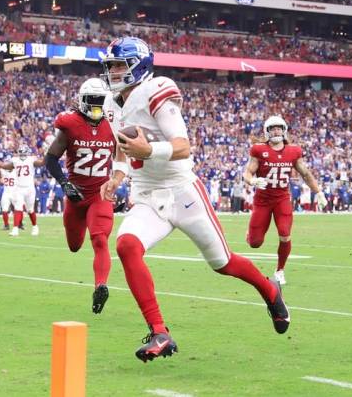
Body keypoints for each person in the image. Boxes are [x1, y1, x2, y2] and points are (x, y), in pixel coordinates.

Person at [98, 37, 290, 362]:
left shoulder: (157, 90)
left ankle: (270, 290)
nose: (114, 71)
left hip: (182, 190)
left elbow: (183, 145)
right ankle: (160, 331)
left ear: (139, 64)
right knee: (127, 245)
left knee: (223, 263)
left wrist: (149, 150)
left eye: (120, 64)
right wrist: (117, 175)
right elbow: (122, 144)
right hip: (147, 195)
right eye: (112, 65)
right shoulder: (111, 104)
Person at [46, 77, 116, 314]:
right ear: (82, 101)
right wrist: (64, 183)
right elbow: (50, 158)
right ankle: (100, 282)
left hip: (100, 194)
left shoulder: (114, 124)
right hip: (75, 196)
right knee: (74, 245)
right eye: (92, 101)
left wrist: (120, 182)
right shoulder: (70, 123)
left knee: (100, 239)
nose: (96, 105)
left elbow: (126, 159)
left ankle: (101, 285)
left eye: (100, 101)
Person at [243, 115, 327, 285]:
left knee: (284, 234)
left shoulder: (293, 151)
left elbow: (305, 173)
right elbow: (247, 172)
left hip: (282, 198)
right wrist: (252, 181)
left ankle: (280, 270)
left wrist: (318, 192)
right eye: (273, 128)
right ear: (267, 131)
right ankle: (250, 234)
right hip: (262, 200)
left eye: (279, 128)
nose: (276, 131)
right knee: (255, 243)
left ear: (284, 130)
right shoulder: (258, 149)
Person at [0, 145, 45, 236]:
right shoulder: (19, 160)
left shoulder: (28, 160)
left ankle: (34, 226)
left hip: (29, 188)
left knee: (30, 210)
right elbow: (4, 166)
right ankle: (15, 229)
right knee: (18, 208)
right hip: (19, 188)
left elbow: (3, 166)